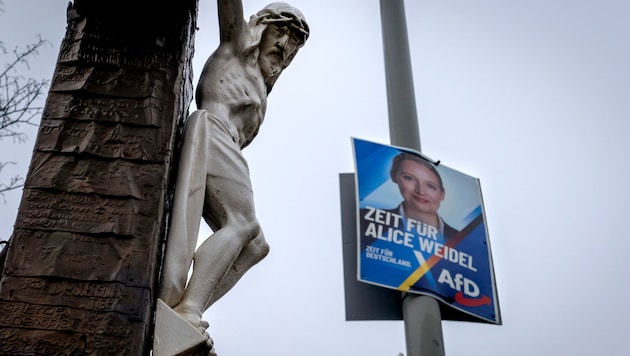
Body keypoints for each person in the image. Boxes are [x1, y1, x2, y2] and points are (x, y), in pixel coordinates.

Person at [159, 1, 309, 331]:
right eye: (280, 31)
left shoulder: (261, 81)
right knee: (242, 224)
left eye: (294, 39)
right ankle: (187, 313)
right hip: (213, 129)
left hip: (227, 146)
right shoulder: (237, 45)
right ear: (261, 28)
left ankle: (185, 311)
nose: (285, 43)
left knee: (256, 246)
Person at [389, 152, 458, 241]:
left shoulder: (463, 241)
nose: (420, 191)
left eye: (431, 186)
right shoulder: (367, 221)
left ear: (442, 194)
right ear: (394, 177)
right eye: (408, 178)